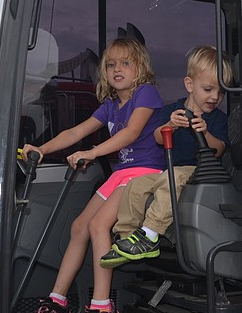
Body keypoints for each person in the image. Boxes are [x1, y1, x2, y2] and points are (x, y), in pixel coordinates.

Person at [22, 37, 164, 313]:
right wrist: (41, 149)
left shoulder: (146, 94)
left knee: (99, 225)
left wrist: (93, 152)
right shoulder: (111, 106)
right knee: (78, 227)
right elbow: (75, 132)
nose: (117, 69)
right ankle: (58, 302)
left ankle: (102, 308)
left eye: (126, 63)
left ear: (140, 68)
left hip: (145, 175)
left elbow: (131, 133)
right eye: (111, 64)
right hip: (121, 175)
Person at [99, 45, 232, 267]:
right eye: (208, 89)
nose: (215, 97)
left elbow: (219, 149)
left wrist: (204, 132)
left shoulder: (217, 119)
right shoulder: (173, 110)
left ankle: (150, 234)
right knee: (137, 184)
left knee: (174, 178)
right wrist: (171, 125)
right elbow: (159, 138)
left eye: (221, 92)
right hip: (169, 169)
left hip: (199, 173)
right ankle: (125, 237)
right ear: (190, 84)